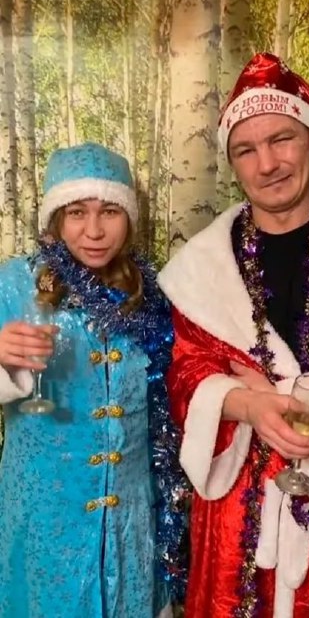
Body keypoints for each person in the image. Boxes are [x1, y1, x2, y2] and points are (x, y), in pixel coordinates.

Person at [157, 52, 309, 618]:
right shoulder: (202, 265)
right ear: (232, 163)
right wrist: (245, 404)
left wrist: (307, 399)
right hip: (230, 502)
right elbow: (185, 370)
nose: (267, 164)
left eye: (281, 140)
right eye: (246, 149)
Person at [0, 142, 187, 617]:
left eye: (110, 211)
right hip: (45, 521)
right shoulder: (15, 282)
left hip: (129, 521)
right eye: (77, 213)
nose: (94, 231)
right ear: (55, 218)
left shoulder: (152, 294)